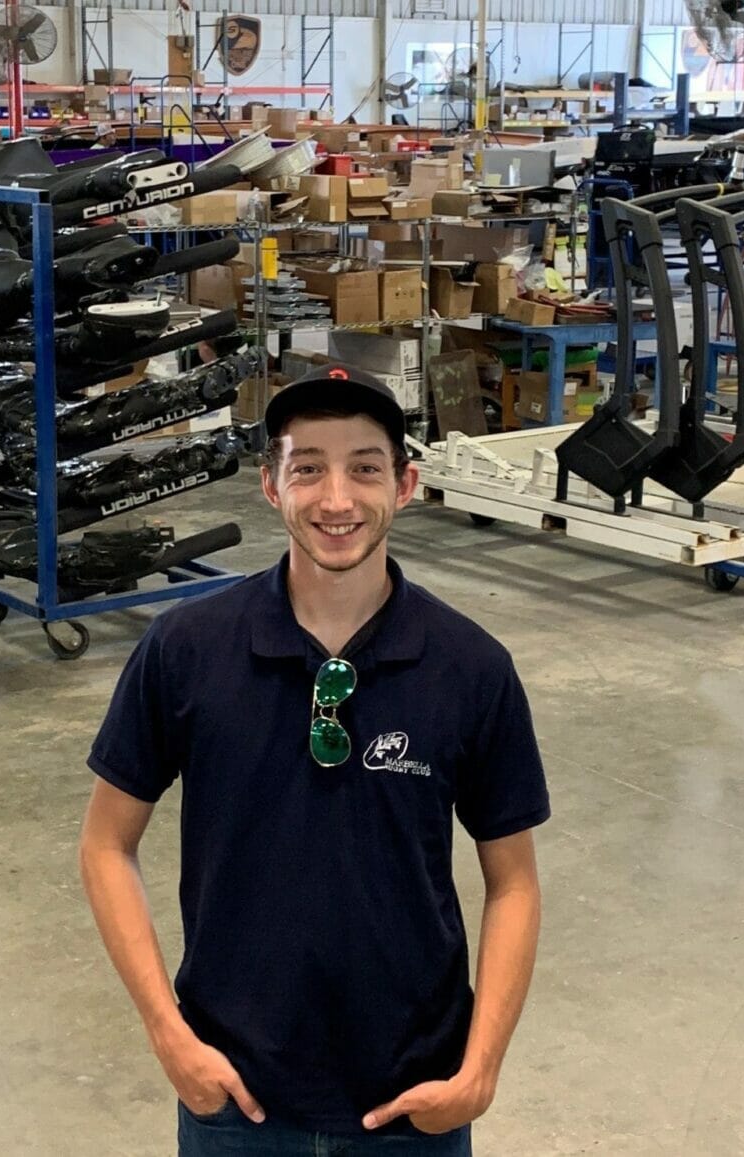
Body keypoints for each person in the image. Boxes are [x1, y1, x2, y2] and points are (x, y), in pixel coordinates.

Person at [79, 366, 550, 1156]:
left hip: (414, 1105)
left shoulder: (470, 666)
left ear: (405, 482)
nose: (337, 499)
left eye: (365, 467)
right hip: (237, 1099)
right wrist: (169, 1034)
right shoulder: (187, 650)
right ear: (270, 484)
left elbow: (515, 882)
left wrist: (479, 1070)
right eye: (308, 468)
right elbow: (104, 844)